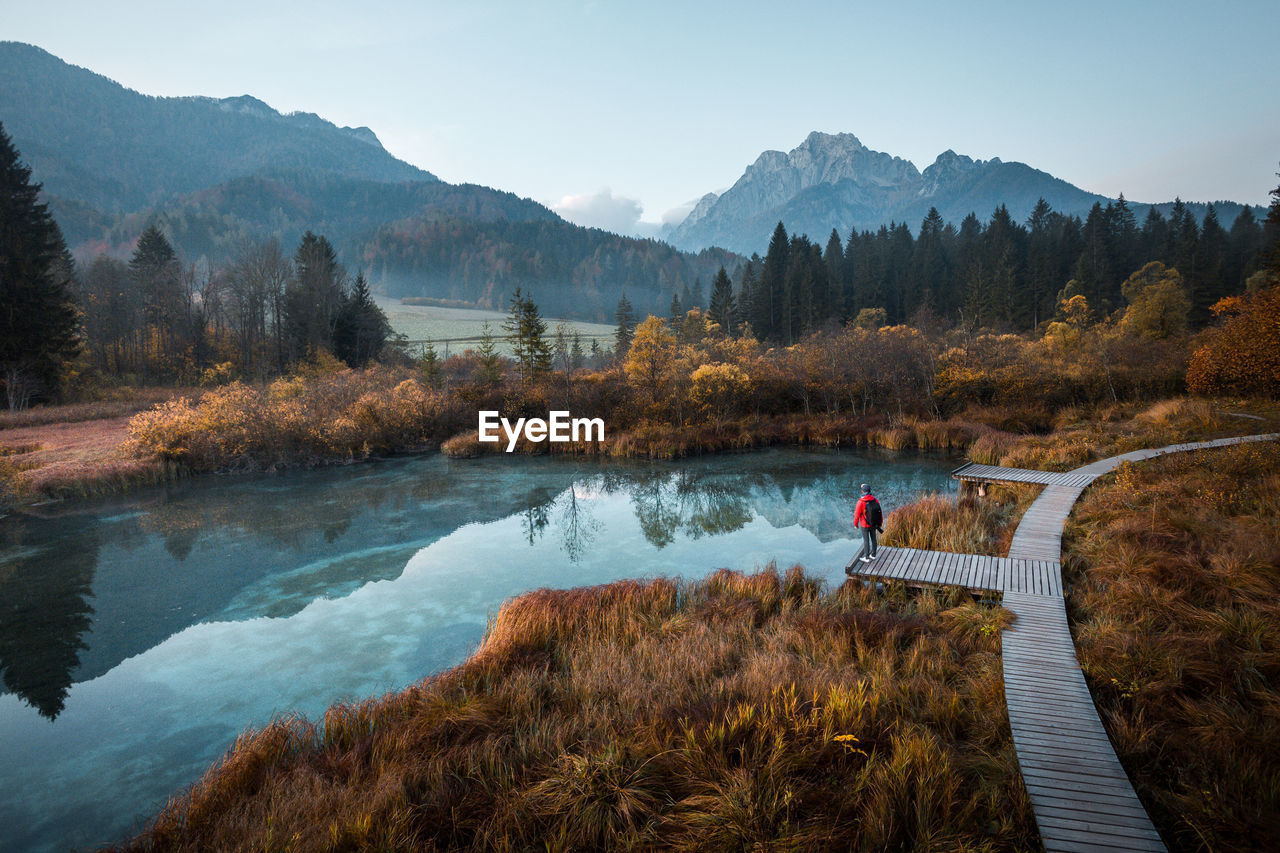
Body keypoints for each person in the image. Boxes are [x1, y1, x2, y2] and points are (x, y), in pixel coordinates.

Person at [853, 483, 883, 563]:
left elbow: (857, 515)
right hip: (873, 524)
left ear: (862, 492)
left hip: (864, 525)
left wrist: (856, 525)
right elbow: (880, 513)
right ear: (870, 491)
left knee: (866, 541)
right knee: (874, 539)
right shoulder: (875, 500)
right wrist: (880, 523)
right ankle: (873, 555)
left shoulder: (860, 502)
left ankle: (866, 557)